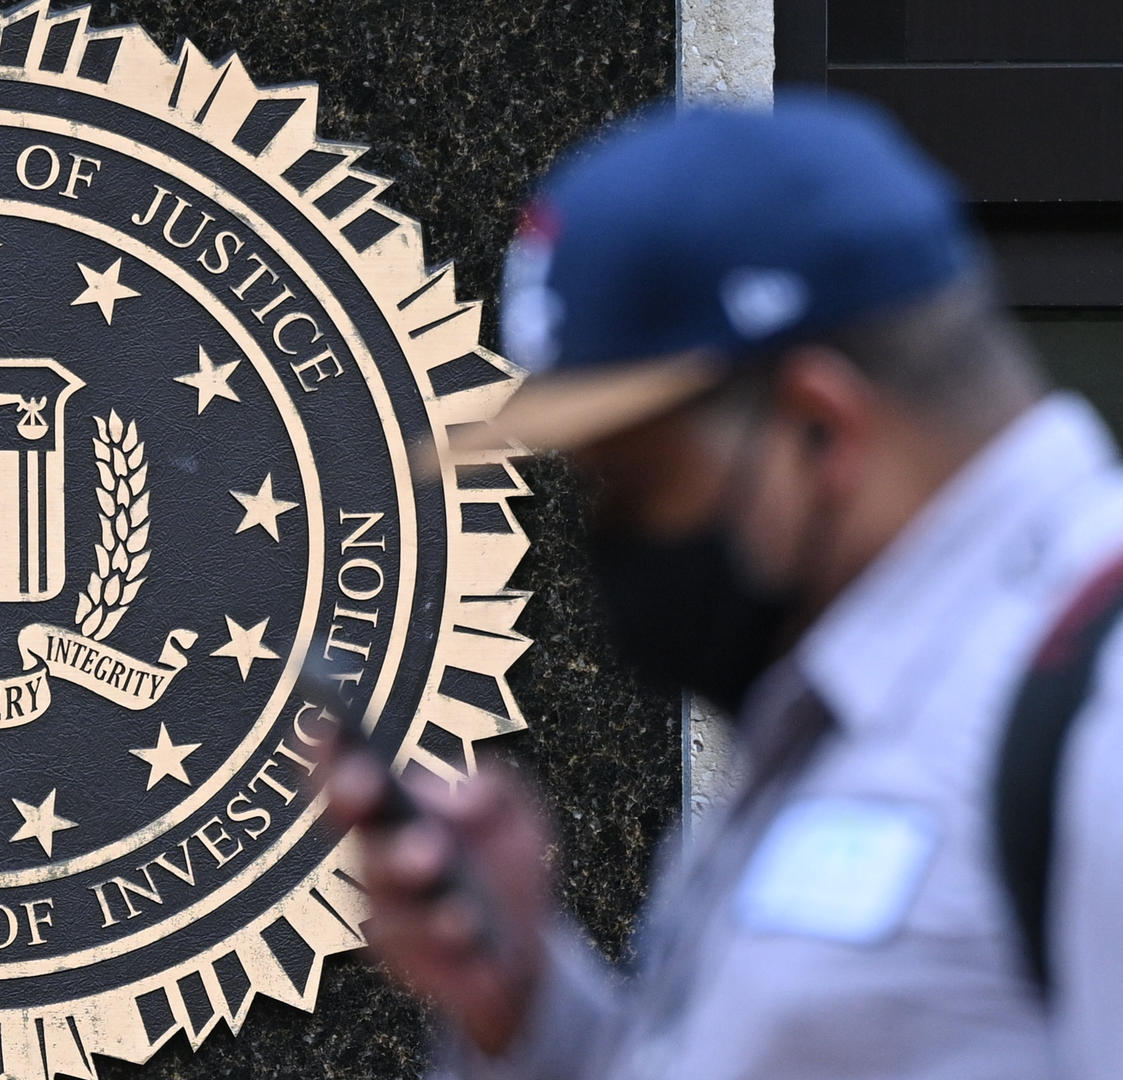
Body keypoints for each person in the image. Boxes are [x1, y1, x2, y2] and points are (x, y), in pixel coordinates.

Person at [321, 96, 1123, 1078]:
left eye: (637, 481)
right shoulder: (840, 708)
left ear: (820, 429)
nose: (609, 534)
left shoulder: (1097, 712)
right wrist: (524, 1007)